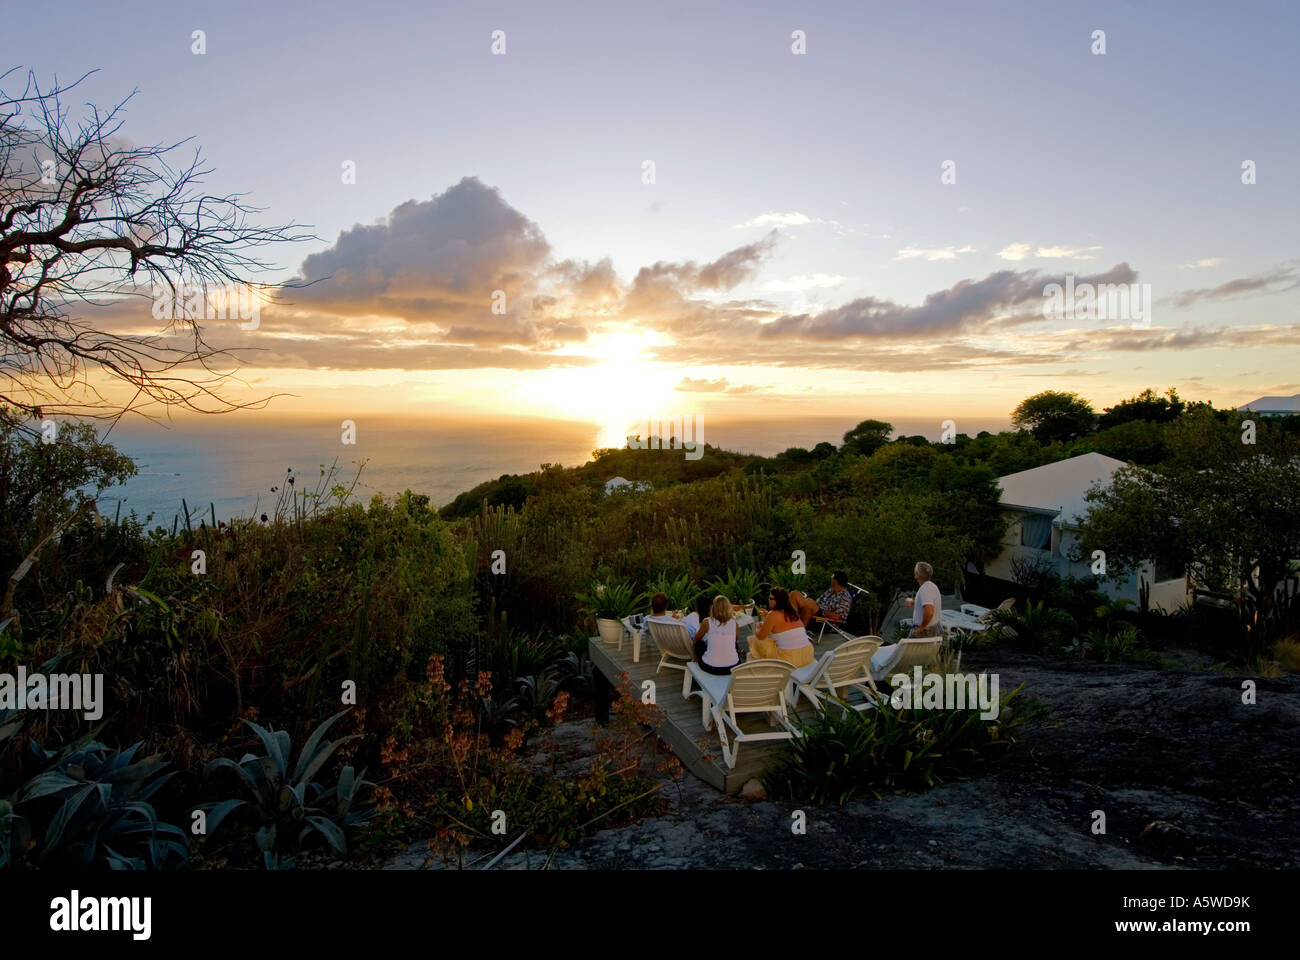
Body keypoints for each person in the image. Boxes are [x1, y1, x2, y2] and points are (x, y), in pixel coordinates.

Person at [750, 587, 815, 668]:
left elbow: (760, 637)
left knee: (756, 640)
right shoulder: (793, 612)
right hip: (807, 654)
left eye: (770, 598)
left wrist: (757, 626)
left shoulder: (772, 614)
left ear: (778, 601)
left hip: (789, 660)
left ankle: (758, 667)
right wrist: (768, 615)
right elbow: (783, 622)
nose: (768, 600)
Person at [692, 595, 741, 675]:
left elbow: (696, 639)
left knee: (699, 644)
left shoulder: (707, 622)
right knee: (735, 643)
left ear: (713, 608)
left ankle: (695, 661)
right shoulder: (734, 623)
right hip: (733, 667)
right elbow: (736, 639)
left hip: (711, 668)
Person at [908, 562, 942, 638]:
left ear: (917, 575)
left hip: (924, 631)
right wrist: (914, 602)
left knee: (905, 646)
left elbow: (929, 611)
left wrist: (922, 627)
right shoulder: (932, 586)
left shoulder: (925, 589)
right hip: (930, 629)